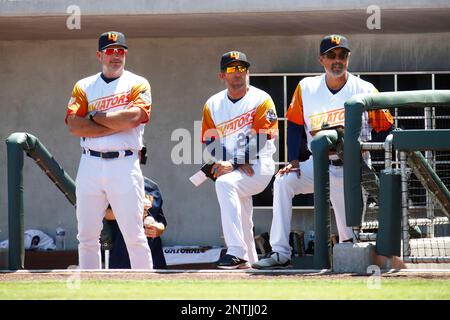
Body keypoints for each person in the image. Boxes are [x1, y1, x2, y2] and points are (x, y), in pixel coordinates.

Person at [252, 35, 394, 269]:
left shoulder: (365, 88)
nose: (337, 60)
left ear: (348, 58)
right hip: (317, 165)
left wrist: (373, 160)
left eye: (342, 55)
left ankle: (350, 264)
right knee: (283, 182)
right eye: (331, 55)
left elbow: (385, 128)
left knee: (349, 237)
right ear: (321, 59)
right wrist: (294, 160)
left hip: (351, 169)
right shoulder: (307, 87)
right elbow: (295, 124)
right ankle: (280, 253)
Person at [65, 31, 153, 269]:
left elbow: (135, 117)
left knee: (134, 235)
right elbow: (74, 124)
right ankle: (91, 290)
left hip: (124, 164)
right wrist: (116, 124)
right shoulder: (84, 85)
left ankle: (146, 291)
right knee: (86, 236)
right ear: (99, 55)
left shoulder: (137, 82)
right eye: (111, 51)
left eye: (120, 51)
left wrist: (95, 118)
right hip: (90, 164)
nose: (116, 56)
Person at [201, 51, 278, 269]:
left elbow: (262, 137)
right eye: (232, 69)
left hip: (259, 165)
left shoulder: (261, 99)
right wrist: (231, 162)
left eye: (242, 68)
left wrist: (234, 162)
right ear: (222, 75)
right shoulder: (213, 104)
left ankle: (235, 252)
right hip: (234, 165)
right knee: (243, 215)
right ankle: (251, 262)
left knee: (225, 184)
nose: (238, 73)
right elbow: (210, 140)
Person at [103, 176, 168, 269]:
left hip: (153, 255)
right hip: (121, 254)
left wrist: (159, 228)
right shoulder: (110, 186)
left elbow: (161, 220)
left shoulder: (151, 187)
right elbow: (102, 213)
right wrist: (131, 212)